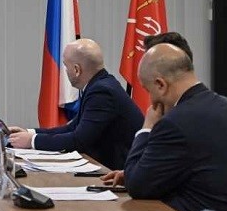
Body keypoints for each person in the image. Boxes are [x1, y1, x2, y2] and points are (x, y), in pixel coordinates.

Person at [103, 43, 227, 211]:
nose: (151, 100)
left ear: (160, 85)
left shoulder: (176, 122)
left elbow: (137, 186)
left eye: (148, 90)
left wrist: (147, 128)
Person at [8, 38, 144, 171]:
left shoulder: (102, 92)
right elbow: (73, 128)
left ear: (76, 70)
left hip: (121, 174)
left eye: (65, 66)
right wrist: (29, 133)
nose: (65, 71)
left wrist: (32, 141)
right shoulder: (99, 85)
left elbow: (79, 141)